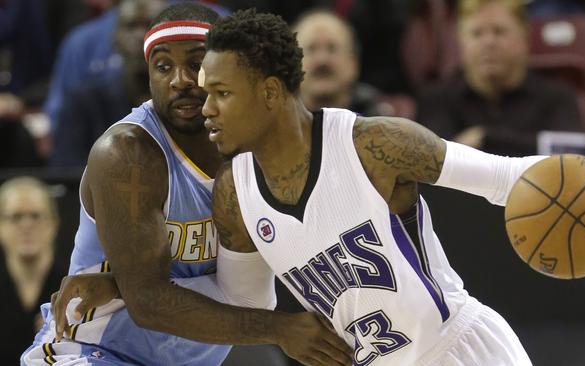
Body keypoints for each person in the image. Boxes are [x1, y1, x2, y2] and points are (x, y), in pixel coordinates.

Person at [53, 9, 585, 366]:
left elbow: (504, 177)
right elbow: (244, 305)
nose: (205, 109)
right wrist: (124, 287)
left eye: (221, 94)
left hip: (459, 350)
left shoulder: (375, 144)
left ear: (268, 92)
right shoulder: (236, 194)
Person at [22, 3, 351, 366]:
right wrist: (280, 328)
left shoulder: (250, 153)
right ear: (148, 76)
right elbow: (149, 304)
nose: (179, 79)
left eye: (195, 64)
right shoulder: (127, 154)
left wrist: (120, 287)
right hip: (92, 353)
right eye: (163, 67)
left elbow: (247, 300)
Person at [417, 0, 585, 156]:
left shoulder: (558, 98)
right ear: (460, 42)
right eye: (476, 34)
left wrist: (485, 138)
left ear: (525, 37)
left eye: (499, 31)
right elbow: (432, 166)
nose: (489, 42)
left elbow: (572, 156)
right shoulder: (436, 101)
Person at [49, 0, 165, 167]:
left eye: (150, 26)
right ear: (115, 37)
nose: (141, 36)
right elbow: (66, 173)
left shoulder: (187, 101)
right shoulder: (83, 103)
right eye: (131, 27)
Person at [0, 177, 66, 364]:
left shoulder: (77, 290)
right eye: (16, 217)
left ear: (54, 223)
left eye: (36, 216)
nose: (26, 225)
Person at [293, 9, 386, 117]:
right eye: (311, 49)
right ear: (291, 64)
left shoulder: (382, 125)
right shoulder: (272, 126)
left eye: (332, 49)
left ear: (353, 63)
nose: (322, 60)